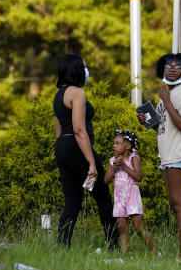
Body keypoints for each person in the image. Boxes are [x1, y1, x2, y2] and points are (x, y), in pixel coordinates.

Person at [53, 53, 118, 248]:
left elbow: (58, 129)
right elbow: (79, 130)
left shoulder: (58, 95)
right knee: (103, 197)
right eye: (84, 67)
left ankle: (62, 245)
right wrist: (91, 162)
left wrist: (61, 154)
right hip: (77, 147)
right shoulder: (77, 93)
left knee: (72, 202)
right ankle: (114, 245)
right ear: (76, 70)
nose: (86, 71)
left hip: (62, 148)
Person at [138, 53, 181, 259]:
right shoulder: (167, 94)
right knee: (175, 202)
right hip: (168, 154)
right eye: (168, 65)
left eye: (177, 66)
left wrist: (166, 100)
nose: (172, 68)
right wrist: (147, 120)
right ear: (161, 69)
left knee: (179, 202)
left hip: (180, 153)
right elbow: (164, 127)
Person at [103, 129, 155, 253]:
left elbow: (139, 177)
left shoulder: (134, 158)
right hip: (119, 196)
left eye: (117, 143)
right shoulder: (113, 160)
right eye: (114, 143)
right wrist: (114, 169)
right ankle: (124, 254)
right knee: (122, 228)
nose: (114, 145)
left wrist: (124, 167)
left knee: (138, 227)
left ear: (128, 146)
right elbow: (105, 180)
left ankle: (154, 251)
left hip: (132, 194)